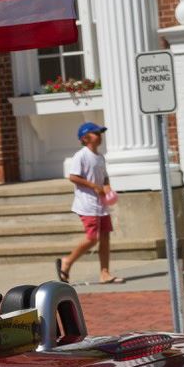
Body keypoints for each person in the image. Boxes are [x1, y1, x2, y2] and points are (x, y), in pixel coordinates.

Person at [57, 122, 123, 285]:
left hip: (101, 204)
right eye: (96, 133)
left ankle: (104, 273)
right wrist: (94, 186)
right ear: (85, 138)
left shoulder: (100, 157)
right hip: (86, 204)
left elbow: (104, 177)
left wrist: (107, 187)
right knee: (92, 238)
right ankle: (67, 262)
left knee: (105, 237)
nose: (100, 136)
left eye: (100, 133)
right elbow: (73, 176)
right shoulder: (81, 155)